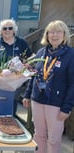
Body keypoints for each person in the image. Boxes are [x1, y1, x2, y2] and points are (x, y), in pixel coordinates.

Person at [22, 20, 74, 153]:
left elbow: (72, 84)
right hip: (37, 100)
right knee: (39, 135)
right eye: (51, 32)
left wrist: (67, 108)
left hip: (56, 104)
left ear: (64, 35)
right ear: (47, 35)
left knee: (54, 139)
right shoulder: (40, 52)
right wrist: (27, 95)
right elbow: (34, 75)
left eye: (58, 32)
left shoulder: (70, 55)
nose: (54, 35)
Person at [0, 19, 33, 116]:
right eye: (4, 28)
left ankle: (11, 126)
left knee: (11, 108)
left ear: (14, 30)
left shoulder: (21, 42)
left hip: (15, 82)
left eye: (10, 28)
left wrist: (26, 64)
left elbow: (32, 56)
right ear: (1, 31)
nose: (7, 30)